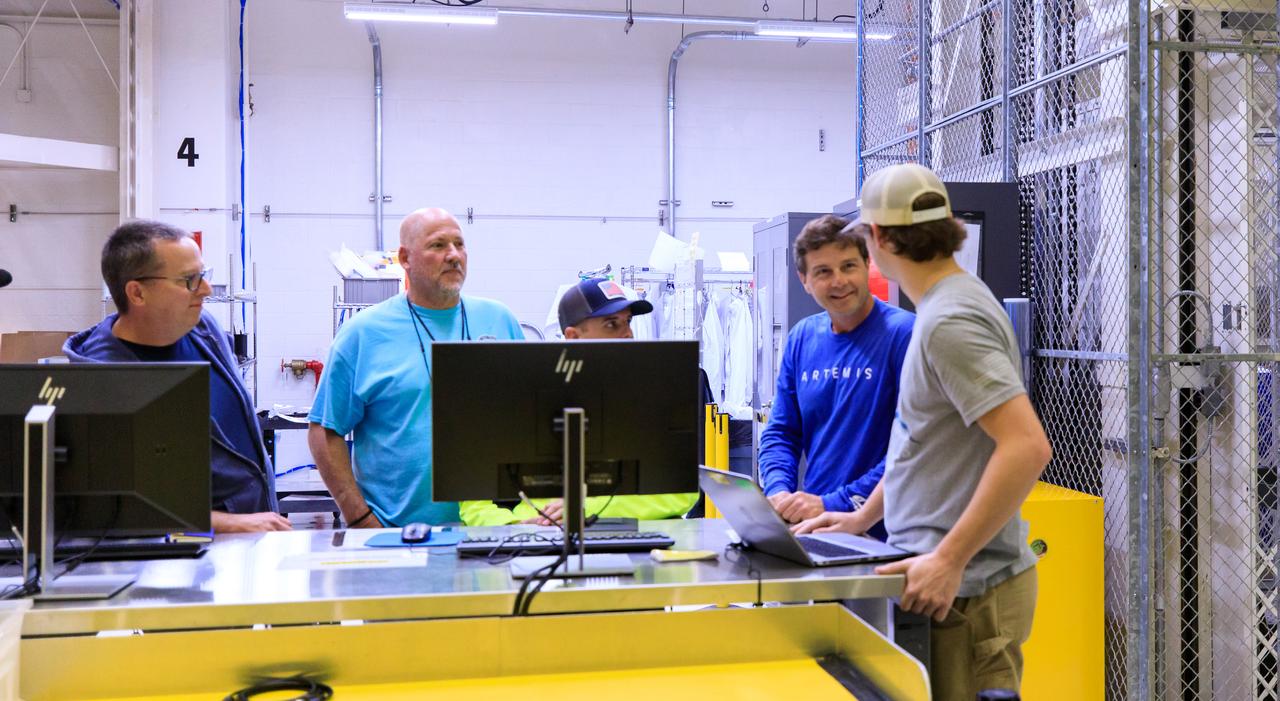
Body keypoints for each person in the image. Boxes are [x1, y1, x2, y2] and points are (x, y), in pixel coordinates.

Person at [794, 164, 1052, 701]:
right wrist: (863, 517)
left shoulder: (949, 321)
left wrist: (950, 559)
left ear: (879, 239)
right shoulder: (942, 307)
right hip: (936, 579)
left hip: (968, 588)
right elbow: (923, 441)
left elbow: (1027, 446)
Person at [63, 220, 289, 533]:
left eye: (203, 275)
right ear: (137, 293)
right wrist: (227, 523)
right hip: (177, 560)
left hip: (249, 537)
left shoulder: (203, 330)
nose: (206, 290)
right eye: (189, 280)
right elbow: (112, 506)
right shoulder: (103, 382)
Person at [308, 208, 522, 528]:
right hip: (398, 534)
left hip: (493, 529)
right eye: (438, 246)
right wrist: (360, 516)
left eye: (459, 245)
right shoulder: (363, 333)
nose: (453, 256)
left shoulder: (499, 320)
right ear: (405, 258)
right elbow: (325, 431)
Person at [460, 276, 699, 526]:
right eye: (611, 324)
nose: (628, 334)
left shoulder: (652, 400)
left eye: (628, 322)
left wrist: (585, 506)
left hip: (630, 543)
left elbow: (681, 491)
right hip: (537, 545)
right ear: (573, 337)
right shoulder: (521, 401)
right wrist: (515, 529)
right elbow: (474, 503)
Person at [758, 214, 914, 528]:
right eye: (823, 272)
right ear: (804, 280)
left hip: (888, 532)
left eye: (848, 266)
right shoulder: (802, 338)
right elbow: (782, 432)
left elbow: (914, 447)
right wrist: (778, 491)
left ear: (867, 264)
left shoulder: (905, 334)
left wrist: (834, 502)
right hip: (815, 527)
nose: (839, 281)